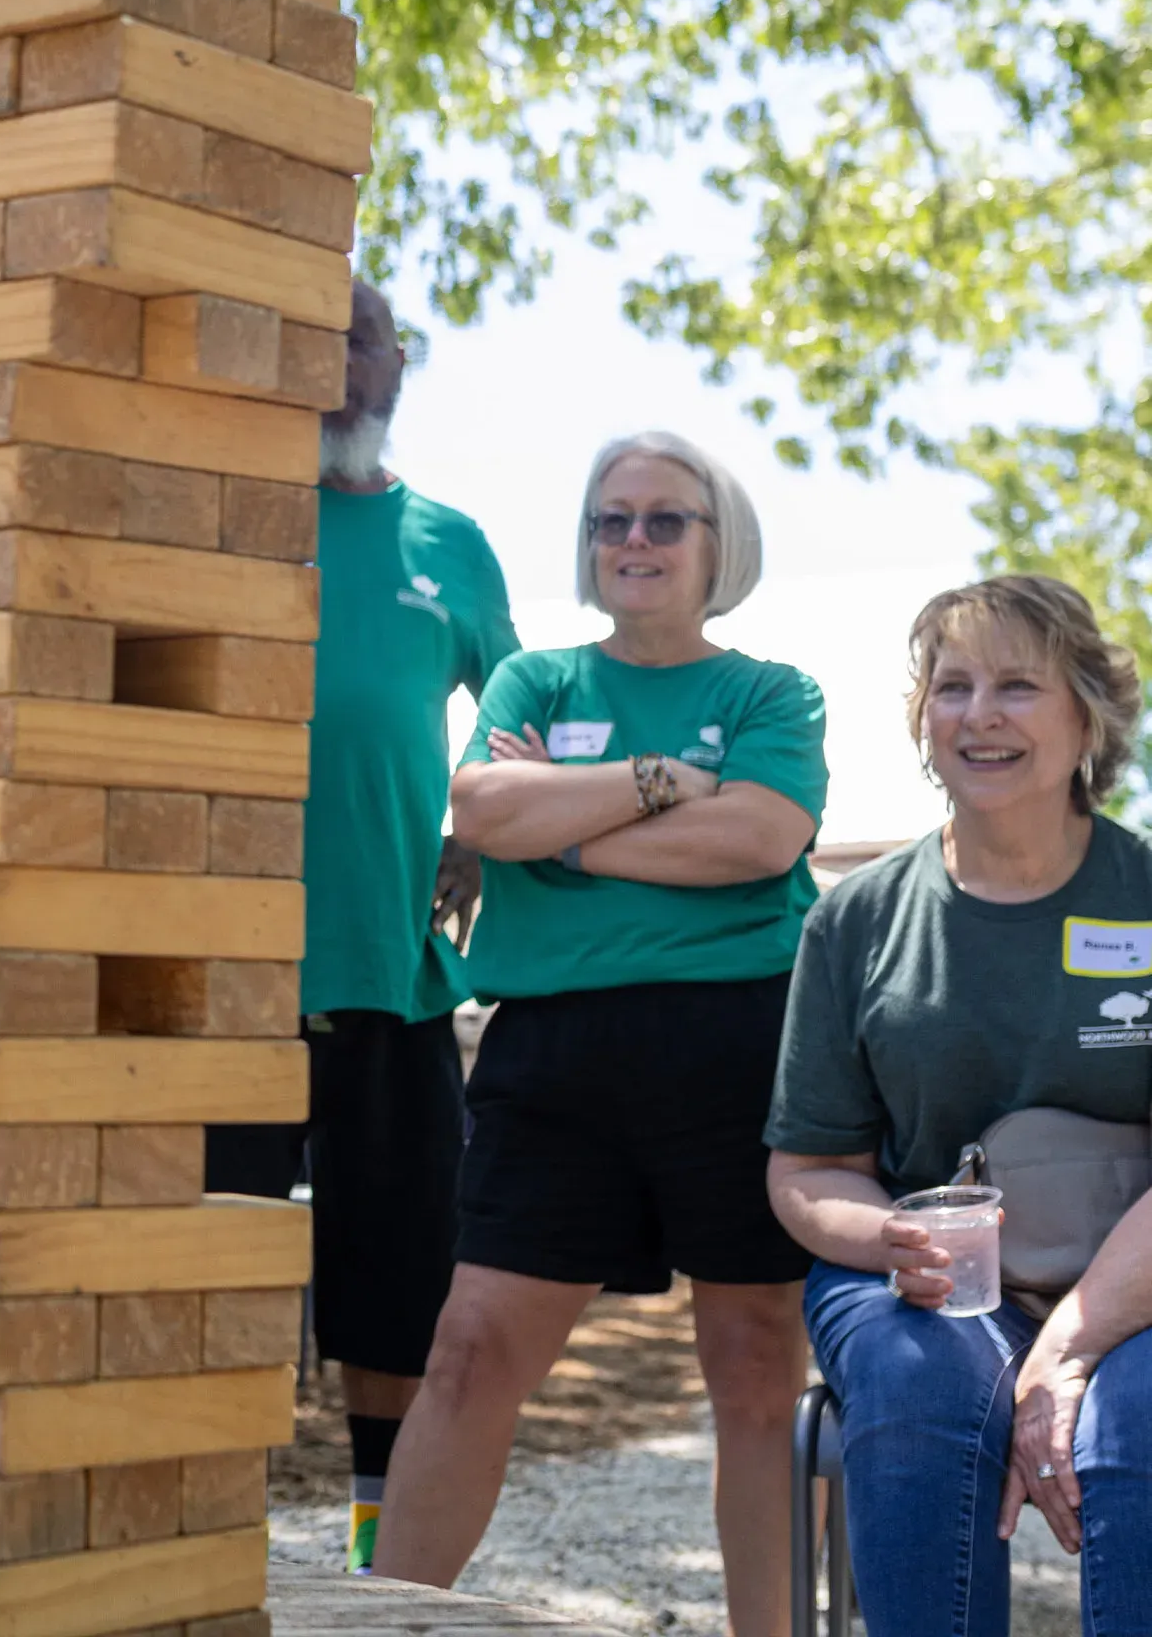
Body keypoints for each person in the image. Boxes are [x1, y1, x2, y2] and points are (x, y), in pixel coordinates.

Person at [376, 431, 827, 1637]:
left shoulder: (772, 693)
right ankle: (382, 1619)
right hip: (551, 1062)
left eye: (665, 520)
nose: (633, 540)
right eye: (609, 520)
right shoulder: (534, 680)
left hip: (740, 1049)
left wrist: (563, 832)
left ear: (716, 543)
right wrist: (664, 779)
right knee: (469, 1350)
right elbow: (476, 807)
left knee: (750, 1366)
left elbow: (760, 843)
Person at [205, 281, 520, 1572]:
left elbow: (520, 715)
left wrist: (473, 830)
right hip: (216, 996)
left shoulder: (449, 542)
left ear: (400, 361)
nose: (338, 365)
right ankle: (196, 1559)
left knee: (397, 1315)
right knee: (203, 1301)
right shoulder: (216, 520)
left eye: (360, 338)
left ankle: (368, 1573)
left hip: (394, 987)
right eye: (310, 341)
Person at [767, 576, 1152, 1632]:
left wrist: (1068, 1349)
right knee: (915, 1389)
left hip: (1133, 1272)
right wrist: (888, 1235)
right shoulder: (856, 922)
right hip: (931, 1282)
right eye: (953, 687)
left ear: (1089, 717)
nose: (979, 715)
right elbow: (806, 1171)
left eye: (1018, 685)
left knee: (1143, 1423)